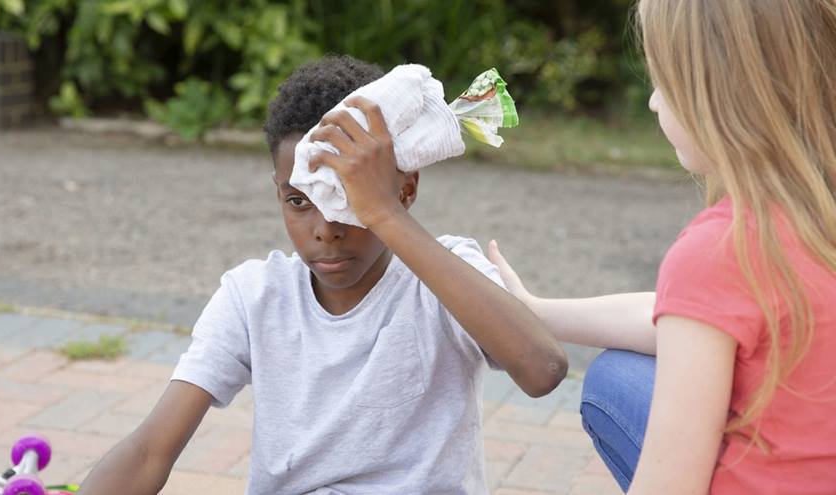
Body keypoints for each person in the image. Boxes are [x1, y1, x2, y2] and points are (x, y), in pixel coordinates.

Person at [77, 55, 567, 495]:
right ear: (278, 194)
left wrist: (384, 215)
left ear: (404, 190)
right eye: (299, 202)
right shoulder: (254, 298)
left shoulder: (445, 279)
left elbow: (543, 370)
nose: (325, 230)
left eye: (348, 199)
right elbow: (149, 452)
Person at [487, 0, 836, 493]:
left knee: (613, 381)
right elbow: (684, 318)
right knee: (621, 371)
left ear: (717, 94)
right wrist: (535, 312)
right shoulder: (812, 219)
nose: (652, 102)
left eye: (664, 82)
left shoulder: (721, 251)